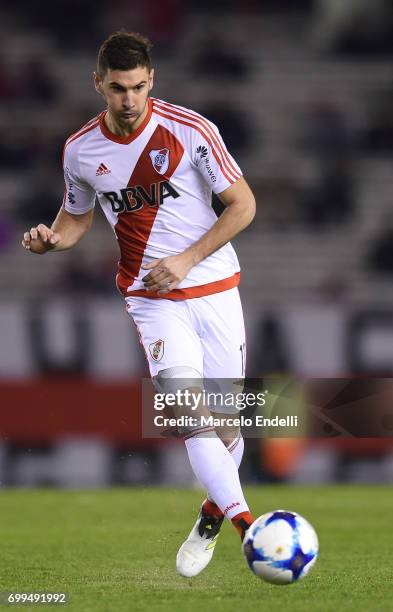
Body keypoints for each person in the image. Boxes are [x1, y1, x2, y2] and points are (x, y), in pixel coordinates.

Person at [21, 31, 256, 577]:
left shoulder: (191, 130)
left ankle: (211, 516)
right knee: (185, 407)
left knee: (228, 430)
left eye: (139, 87)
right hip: (151, 299)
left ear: (152, 80)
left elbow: (242, 205)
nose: (129, 101)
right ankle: (253, 528)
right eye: (118, 88)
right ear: (98, 84)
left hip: (216, 289)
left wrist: (188, 258)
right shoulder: (81, 150)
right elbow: (75, 218)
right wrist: (52, 240)